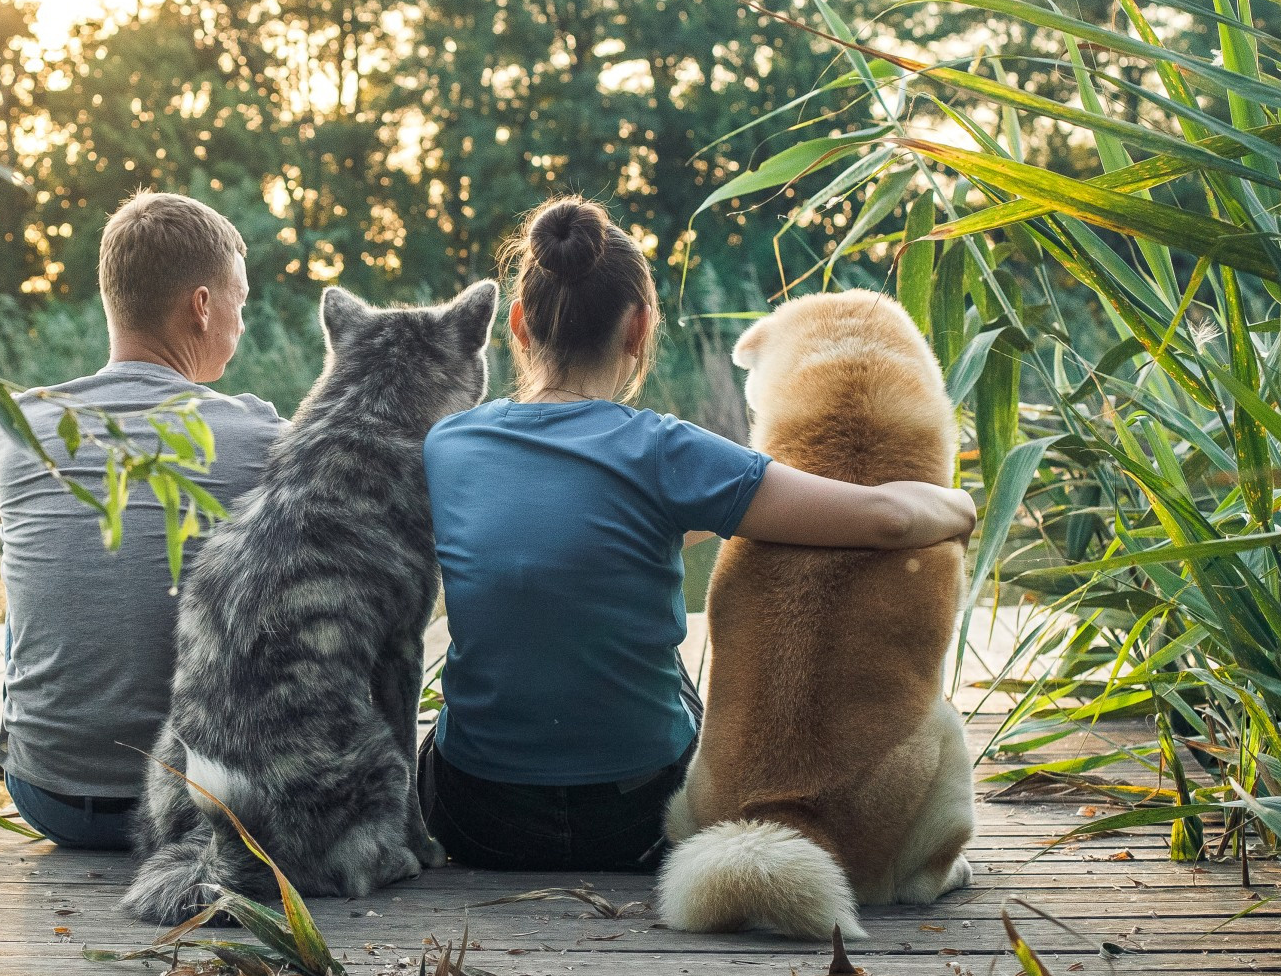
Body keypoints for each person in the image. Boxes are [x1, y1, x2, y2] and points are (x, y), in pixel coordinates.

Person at [418, 196, 976, 872]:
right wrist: (961, 506)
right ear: (638, 326)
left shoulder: (448, 444)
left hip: (478, 819)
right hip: (638, 818)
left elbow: (566, 534)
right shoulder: (664, 450)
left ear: (518, 323)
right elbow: (889, 517)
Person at [0, 193, 284, 849]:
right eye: (239, 300)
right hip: (204, 806)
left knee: (40, 553)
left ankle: (63, 729)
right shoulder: (260, 435)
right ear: (202, 306)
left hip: (47, 794)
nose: (241, 321)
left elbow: (1, 517)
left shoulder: (16, 425)